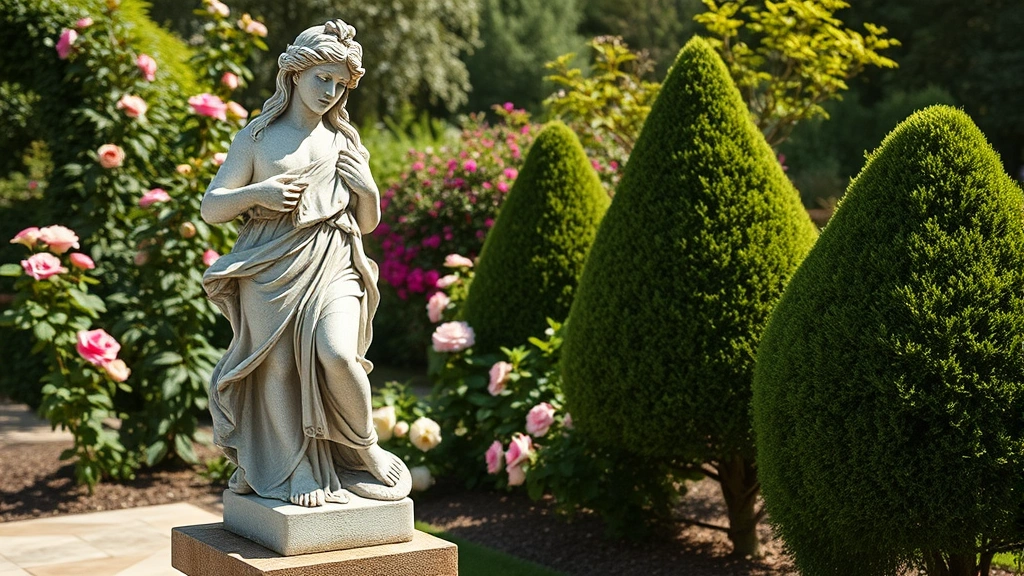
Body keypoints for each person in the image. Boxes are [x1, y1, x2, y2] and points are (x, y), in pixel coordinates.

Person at [200, 19, 409, 508]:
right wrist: (260, 193)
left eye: (340, 85)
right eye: (323, 79)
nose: (331, 92)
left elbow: (369, 221)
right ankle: (291, 469)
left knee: (337, 354)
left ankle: (365, 448)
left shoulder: (344, 141)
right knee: (277, 369)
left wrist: (369, 190)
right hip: (267, 263)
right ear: (296, 74)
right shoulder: (256, 139)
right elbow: (212, 207)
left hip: (333, 255)